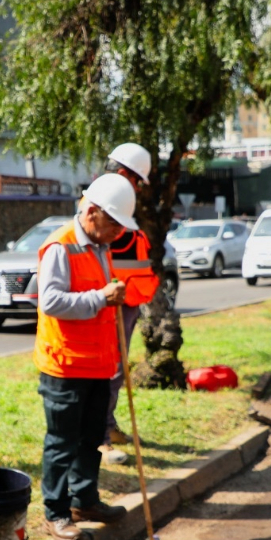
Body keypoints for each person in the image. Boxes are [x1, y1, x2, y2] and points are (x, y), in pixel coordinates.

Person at [35, 173, 139, 540]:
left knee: (92, 437)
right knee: (62, 441)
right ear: (92, 212)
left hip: (97, 363)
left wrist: (112, 294)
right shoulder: (61, 246)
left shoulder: (100, 245)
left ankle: (85, 500)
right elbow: (50, 301)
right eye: (114, 224)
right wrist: (101, 297)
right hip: (65, 365)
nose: (118, 233)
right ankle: (57, 512)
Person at [101, 142, 155, 464]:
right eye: (136, 181)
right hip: (110, 306)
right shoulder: (105, 212)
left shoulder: (118, 211)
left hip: (126, 303)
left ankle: (107, 426)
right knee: (107, 372)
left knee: (116, 370)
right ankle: (100, 438)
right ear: (123, 175)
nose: (137, 190)